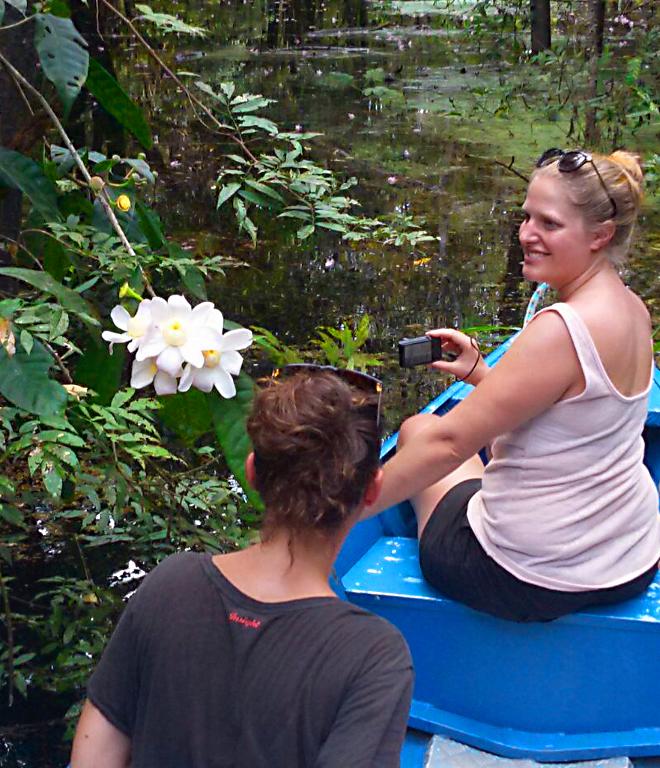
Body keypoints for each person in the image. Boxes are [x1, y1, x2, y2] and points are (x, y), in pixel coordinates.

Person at [364, 148, 659, 622]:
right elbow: (573, 409)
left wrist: (338, 515)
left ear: (600, 235)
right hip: (630, 558)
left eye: (549, 224)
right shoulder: (632, 310)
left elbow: (450, 443)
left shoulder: (560, 328)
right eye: (526, 218)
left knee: (421, 431)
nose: (527, 235)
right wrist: (480, 371)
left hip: (527, 576)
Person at [71, 368, 413, 768]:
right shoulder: (374, 656)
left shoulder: (170, 582)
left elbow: (95, 753)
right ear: (373, 489)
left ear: (252, 472)